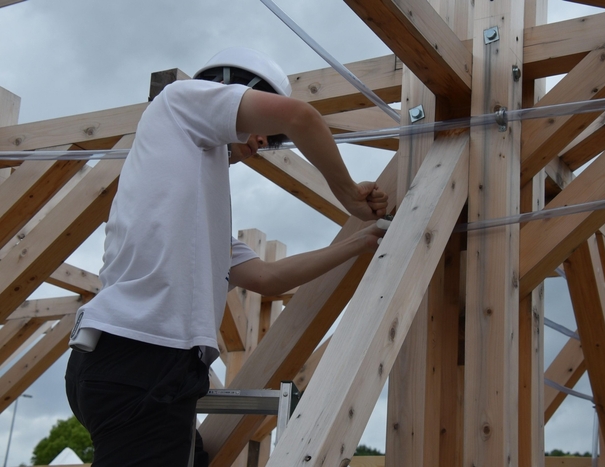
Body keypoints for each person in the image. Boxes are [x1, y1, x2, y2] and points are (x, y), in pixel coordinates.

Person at [64, 47, 389, 466]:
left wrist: (358, 243)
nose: (263, 140)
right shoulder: (181, 100)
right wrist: (349, 196)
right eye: (263, 126)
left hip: (143, 364)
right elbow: (300, 117)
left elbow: (268, 278)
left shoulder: (196, 218)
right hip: (141, 355)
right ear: (230, 89)